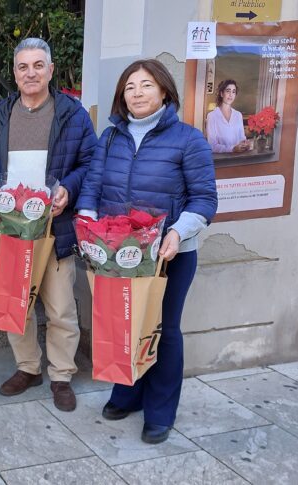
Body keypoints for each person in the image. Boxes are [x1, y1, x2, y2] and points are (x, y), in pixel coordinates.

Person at [75, 59, 218, 444]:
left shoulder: (189, 139)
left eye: (146, 85)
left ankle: (160, 410)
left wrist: (177, 232)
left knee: (162, 331)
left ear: (164, 91)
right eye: (130, 88)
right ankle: (128, 392)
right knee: (124, 324)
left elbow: (205, 199)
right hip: (117, 254)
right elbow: (92, 186)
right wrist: (88, 225)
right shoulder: (109, 137)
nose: (137, 93)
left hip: (169, 255)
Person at [0, 38, 97, 412]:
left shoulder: (72, 114)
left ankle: (61, 374)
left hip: (54, 231)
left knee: (60, 309)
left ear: (51, 70)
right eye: (23, 67)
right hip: (9, 229)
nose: (30, 73)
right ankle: (28, 367)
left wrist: (68, 192)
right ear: (14, 72)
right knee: (15, 306)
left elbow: (90, 164)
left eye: (38, 65)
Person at [205, 79, 251, 153]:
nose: (231, 95)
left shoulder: (238, 115)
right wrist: (233, 149)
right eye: (228, 91)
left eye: (233, 92)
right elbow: (212, 146)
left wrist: (246, 144)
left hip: (239, 159)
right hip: (222, 161)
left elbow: (242, 139)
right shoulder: (212, 116)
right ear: (221, 93)